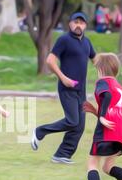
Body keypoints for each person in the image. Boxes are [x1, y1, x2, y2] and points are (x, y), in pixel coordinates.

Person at [31, 12, 96, 164]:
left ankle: (62, 154)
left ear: (85, 25)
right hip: (66, 89)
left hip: (81, 91)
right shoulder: (64, 40)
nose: (78, 25)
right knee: (73, 121)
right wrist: (63, 78)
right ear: (70, 24)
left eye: (82, 22)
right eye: (76, 22)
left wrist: (109, 69)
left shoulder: (87, 42)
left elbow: (96, 60)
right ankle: (39, 131)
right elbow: (50, 61)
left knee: (80, 126)